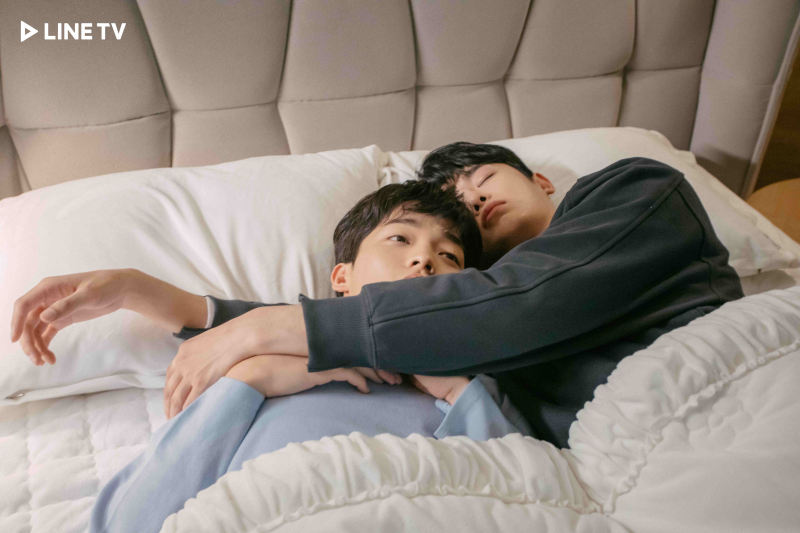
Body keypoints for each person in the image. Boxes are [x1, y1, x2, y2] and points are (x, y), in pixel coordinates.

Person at [13, 144, 745, 449]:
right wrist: (146, 292)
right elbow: (399, 316)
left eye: (482, 178)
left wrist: (261, 331)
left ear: (541, 180)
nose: (471, 200)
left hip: (732, 398)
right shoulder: (459, 323)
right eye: (456, 200)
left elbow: (517, 300)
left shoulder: (638, 190)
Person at [10, 181, 530, 533]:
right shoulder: (260, 376)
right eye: (400, 238)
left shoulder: (472, 390)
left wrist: (456, 389)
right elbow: (130, 522)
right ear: (341, 279)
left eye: (449, 256)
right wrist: (251, 379)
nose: (424, 259)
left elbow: (528, 495)